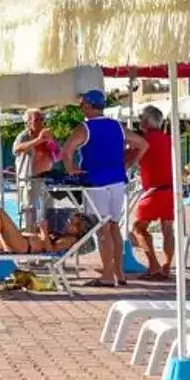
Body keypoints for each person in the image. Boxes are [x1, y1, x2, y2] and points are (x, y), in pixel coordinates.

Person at [69, 89, 132, 288]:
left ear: (88, 105)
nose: (81, 108)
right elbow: (142, 144)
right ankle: (119, 273)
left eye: (82, 105)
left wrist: (71, 168)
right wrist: (128, 163)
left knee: (102, 229)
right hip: (117, 182)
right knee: (114, 227)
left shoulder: (85, 128)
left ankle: (107, 275)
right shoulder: (117, 126)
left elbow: (66, 150)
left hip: (96, 182)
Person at [127, 106, 176, 279]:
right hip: (171, 189)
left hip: (154, 191)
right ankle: (167, 266)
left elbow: (129, 162)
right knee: (168, 229)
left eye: (141, 117)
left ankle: (154, 266)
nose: (139, 121)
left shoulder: (144, 141)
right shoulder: (169, 139)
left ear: (147, 121)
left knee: (138, 228)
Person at [11, 108, 59, 230]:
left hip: (47, 178)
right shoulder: (23, 136)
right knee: (29, 208)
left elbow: (58, 155)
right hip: (29, 180)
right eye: (36, 120)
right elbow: (16, 149)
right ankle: (30, 234)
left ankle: (49, 234)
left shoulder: (46, 135)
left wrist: (51, 142)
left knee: (49, 208)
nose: (40, 123)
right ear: (28, 122)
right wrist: (37, 140)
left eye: (42, 119)